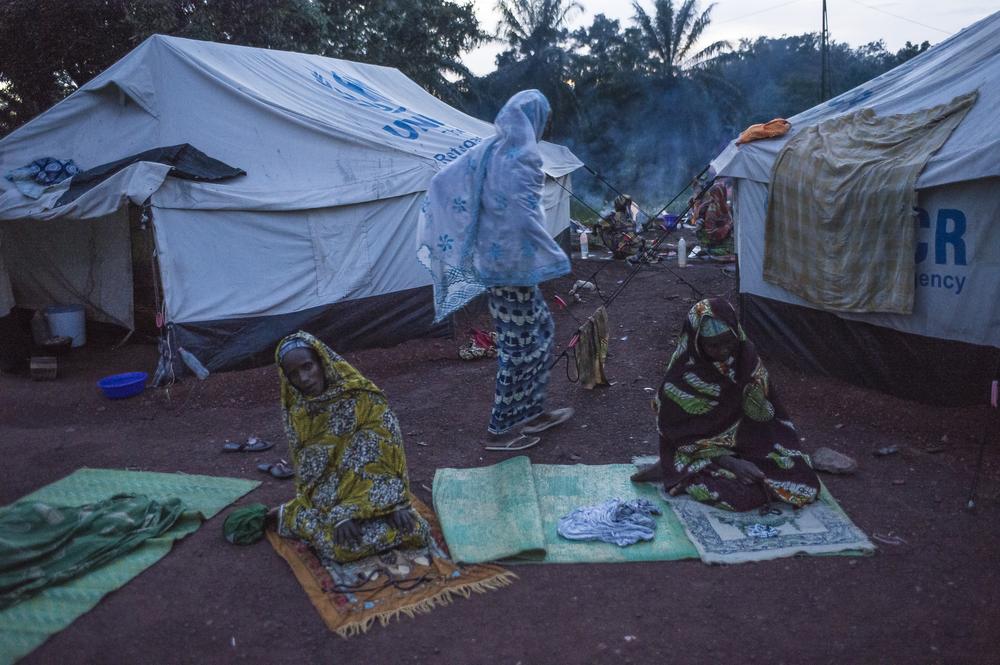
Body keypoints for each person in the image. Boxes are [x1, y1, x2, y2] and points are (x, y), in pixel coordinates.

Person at [416, 90, 573, 449]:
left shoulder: (491, 149)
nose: (544, 126)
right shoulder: (522, 157)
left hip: (500, 263)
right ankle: (501, 429)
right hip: (509, 268)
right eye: (544, 119)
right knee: (520, 346)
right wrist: (553, 256)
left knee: (540, 332)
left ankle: (531, 413)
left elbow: (443, 181)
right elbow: (522, 215)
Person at [632, 299, 820, 512]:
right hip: (698, 452)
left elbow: (767, 419)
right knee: (740, 497)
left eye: (728, 341)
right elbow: (677, 434)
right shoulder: (680, 377)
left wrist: (755, 456)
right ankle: (676, 469)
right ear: (696, 342)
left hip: (747, 445)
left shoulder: (746, 357)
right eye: (713, 345)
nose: (723, 351)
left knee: (804, 480)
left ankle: (672, 469)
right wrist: (729, 462)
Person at [267, 331, 430, 563]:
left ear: (322, 362)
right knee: (341, 548)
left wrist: (395, 504)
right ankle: (293, 516)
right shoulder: (300, 416)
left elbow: (390, 454)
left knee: (416, 532)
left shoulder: (362, 396)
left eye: (307, 367)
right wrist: (341, 516)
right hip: (333, 504)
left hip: (379, 493)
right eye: (293, 374)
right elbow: (312, 477)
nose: (303, 379)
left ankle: (295, 516)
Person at [690, 180, 734, 258]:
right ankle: (709, 251)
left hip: (720, 238)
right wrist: (727, 227)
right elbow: (710, 232)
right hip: (710, 239)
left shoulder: (725, 206)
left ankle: (712, 250)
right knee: (731, 250)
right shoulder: (712, 209)